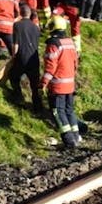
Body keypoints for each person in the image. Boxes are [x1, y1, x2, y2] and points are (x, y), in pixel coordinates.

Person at [41, 15, 81, 148]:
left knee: (58, 112)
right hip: (70, 84)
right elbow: (75, 63)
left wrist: (43, 83)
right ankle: (76, 136)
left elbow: (50, 67)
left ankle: (69, 141)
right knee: (70, 110)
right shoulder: (70, 42)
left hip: (58, 85)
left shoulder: (53, 44)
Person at [10, 4, 44, 113]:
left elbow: (16, 44)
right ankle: (38, 108)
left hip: (21, 57)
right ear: (30, 14)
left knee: (14, 77)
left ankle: (19, 98)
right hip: (34, 59)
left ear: (20, 12)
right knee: (35, 85)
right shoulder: (36, 28)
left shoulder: (17, 25)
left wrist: (13, 57)